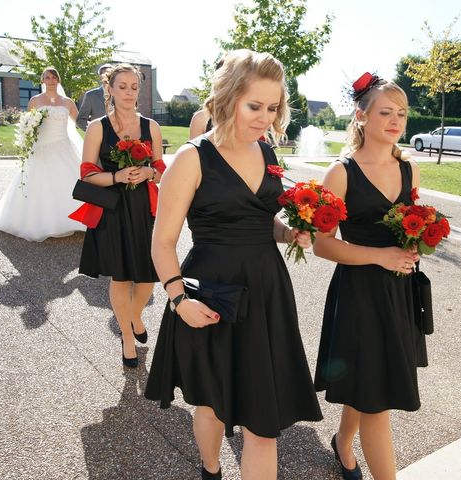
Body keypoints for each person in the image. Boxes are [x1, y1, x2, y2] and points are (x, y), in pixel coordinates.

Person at [145, 49, 322, 480]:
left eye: (274, 107)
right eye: (255, 106)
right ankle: (210, 470)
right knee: (212, 407)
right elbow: (162, 243)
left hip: (266, 290)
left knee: (263, 423)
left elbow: (267, 221)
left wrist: (289, 231)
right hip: (212, 293)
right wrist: (178, 299)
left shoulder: (268, 153)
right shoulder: (191, 158)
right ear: (227, 99)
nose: (266, 117)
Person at [313, 73, 426, 480]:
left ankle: (343, 442)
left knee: (369, 381)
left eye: (402, 113)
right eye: (385, 112)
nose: (396, 120)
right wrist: (380, 256)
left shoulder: (409, 169)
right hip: (359, 293)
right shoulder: (341, 173)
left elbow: (409, 225)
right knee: (377, 400)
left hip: (399, 292)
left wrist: (416, 241)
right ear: (361, 116)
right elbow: (321, 245)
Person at [70, 63, 165, 367]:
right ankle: (127, 336)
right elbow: (86, 173)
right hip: (112, 209)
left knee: (149, 276)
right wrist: (117, 176)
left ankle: (134, 315)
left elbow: (162, 169)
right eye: (121, 86)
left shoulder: (151, 126)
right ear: (109, 89)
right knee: (122, 276)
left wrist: (149, 171)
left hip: (145, 209)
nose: (128, 92)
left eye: (134, 87)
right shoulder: (98, 127)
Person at [0, 67, 86, 242]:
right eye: (47, 77)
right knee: (38, 183)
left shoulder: (68, 102)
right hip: (42, 148)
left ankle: (75, 220)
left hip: (63, 147)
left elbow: (79, 123)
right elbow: (28, 125)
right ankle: (41, 222)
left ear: (58, 80)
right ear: (42, 81)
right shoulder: (35, 100)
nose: (51, 80)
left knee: (69, 182)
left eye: (54, 77)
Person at [76, 63, 113, 131]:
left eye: (110, 74)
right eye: (104, 74)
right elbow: (80, 120)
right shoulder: (90, 95)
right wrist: (93, 131)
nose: (107, 76)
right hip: (98, 138)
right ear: (100, 77)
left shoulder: (120, 94)